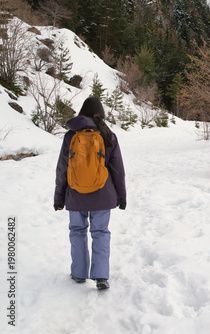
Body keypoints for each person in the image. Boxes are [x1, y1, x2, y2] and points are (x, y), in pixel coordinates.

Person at [54, 97, 126, 290]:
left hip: (75, 194)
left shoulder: (71, 136)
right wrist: (122, 197)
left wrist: (59, 198)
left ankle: (78, 273)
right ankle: (101, 276)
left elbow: (62, 168)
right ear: (101, 114)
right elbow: (118, 170)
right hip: (103, 195)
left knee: (77, 232)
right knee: (101, 232)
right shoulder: (108, 135)